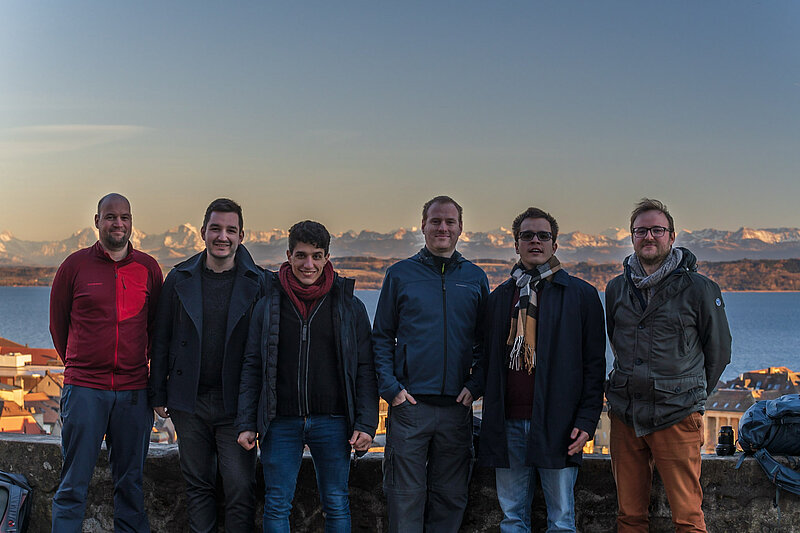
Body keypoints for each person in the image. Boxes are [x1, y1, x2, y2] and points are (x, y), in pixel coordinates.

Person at [236, 220, 378, 533]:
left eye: (316, 256)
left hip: (334, 421)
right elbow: (252, 365)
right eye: (301, 255)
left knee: (336, 502)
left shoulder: (349, 307)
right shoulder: (267, 306)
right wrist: (247, 422)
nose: (308, 264)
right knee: (277, 503)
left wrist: (366, 423)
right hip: (279, 421)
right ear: (289, 256)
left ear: (327, 258)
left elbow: (365, 368)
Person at [605, 198, 732, 533]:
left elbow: (719, 351)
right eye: (641, 230)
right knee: (629, 517)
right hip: (626, 414)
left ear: (672, 236)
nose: (649, 236)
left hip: (677, 414)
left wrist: (691, 395)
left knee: (688, 518)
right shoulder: (616, 288)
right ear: (632, 236)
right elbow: (616, 342)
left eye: (657, 230)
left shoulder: (699, 289)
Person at [477, 207, 606, 532]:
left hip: (559, 426)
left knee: (561, 521)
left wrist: (587, 422)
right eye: (527, 235)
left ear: (554, 244)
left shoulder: (581, 296)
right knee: (512, 519)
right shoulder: (499, 299)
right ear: (516, 244)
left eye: (543, 235)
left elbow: (594, 367)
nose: (535, 241)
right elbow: (487, 361)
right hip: (507, 425)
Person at [373, 195, 490, 533]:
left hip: (457, 408)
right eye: (435, 221)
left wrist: (475, 385)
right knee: (404, 500)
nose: (442, 228)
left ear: (460, 228)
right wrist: (391, 390)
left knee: (450, 500)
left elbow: (486, 343)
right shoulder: (400, 275)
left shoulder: (475, 278)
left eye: (449, 222)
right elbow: (382, 336)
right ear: (423, 226)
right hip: (410, 407)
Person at [149, 198, 264, 532]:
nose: (222, 236)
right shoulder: (179, 278)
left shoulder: (259, 282)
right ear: (203, 232)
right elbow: (162, 338)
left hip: (236, 405)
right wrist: (158, 392)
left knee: (240, 486)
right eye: (216, 228)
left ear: (242, 235)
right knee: (198, 486)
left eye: (230, 230)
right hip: (190, 401)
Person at [49, 193, 163, 532]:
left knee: (131, 486)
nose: (118, 223)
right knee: (73, 484)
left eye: (124, 217)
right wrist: (80, 367)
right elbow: (58, 325)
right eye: (111, 217)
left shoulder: (148, 269)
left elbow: (156, 328)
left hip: (133, 391)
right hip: (85, 390)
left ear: (131, 222)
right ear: (97, 221)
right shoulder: (74, 266)